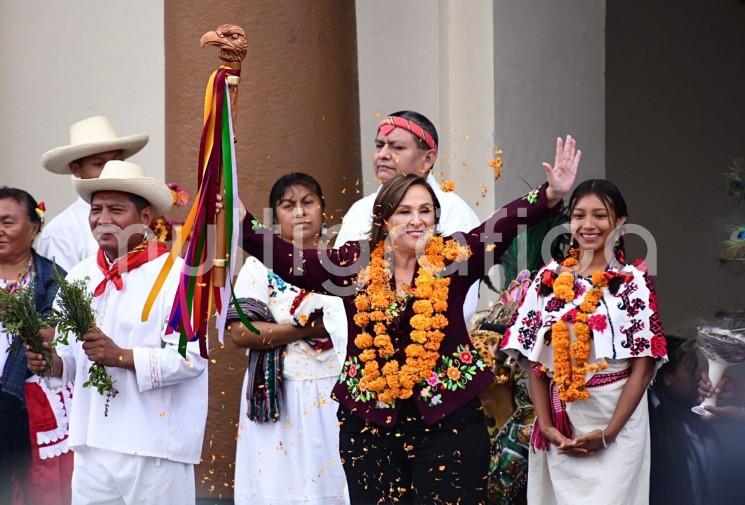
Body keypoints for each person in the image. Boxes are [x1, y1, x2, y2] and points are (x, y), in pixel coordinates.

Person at [236, 135, 580, 503]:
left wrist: (549, 195)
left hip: (450, 421)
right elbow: (292, 262)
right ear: (384, 219)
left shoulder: (455, 257)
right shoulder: (355, 262)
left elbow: (504, 223)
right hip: (370, 425)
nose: (416, 221)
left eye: (425, 211)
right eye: (404, 211)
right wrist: (242, 222)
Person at [26, 161, 207, 505]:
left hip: (154, 446)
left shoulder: (179, 277)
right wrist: (47, 362)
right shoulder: (79, 276)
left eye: (116, 209)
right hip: (91, 441)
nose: (102, 219)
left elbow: (189, 359)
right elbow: (69, 362)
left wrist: (120, 356)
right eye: (96, 209)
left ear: (147, 215)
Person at [502, 179, 668, 505]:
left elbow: (643, 367)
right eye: (579, 215)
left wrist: (608, 435)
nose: (588, 225)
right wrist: (548, 426)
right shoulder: (548, 279)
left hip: (618, 426)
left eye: (600, 216)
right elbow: (536, 362)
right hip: (561, 425)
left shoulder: (633, 283)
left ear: (620, 222)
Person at [225, 173, 349, 505]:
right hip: (281, 393)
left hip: (336, 389)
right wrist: (308, 330)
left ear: (324, 210)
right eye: (288, 205)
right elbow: (241, 332)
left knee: (335, 479)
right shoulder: (258, 268)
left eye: (308, 202)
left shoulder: (342, 263)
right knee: (281, 485)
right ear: (274, 217)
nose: (300, 212)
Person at [335, 111, 481, 326]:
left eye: (397, 147)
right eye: (379, 145)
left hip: (428, 345)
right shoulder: (359, 210)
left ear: (428, 159)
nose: (383, 155)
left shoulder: (456, 213)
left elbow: (461, 304)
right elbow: (338, 287)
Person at [0, 187, 72, 505]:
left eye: (7, 222)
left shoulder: (53, 279)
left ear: (34, 227)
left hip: (27, 401)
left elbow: (62, 338)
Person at [36, 116, 149, 271]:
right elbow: (62, 289)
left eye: (117, 161)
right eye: (99, 163)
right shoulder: (61, 231)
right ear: (76, 169)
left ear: (146, 217)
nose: (110, 169)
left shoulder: (137, 213)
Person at [649, 335, 717, 505]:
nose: (699, 375)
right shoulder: (653, 426)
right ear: (667, 377)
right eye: (691, 368)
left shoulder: (697, 414)